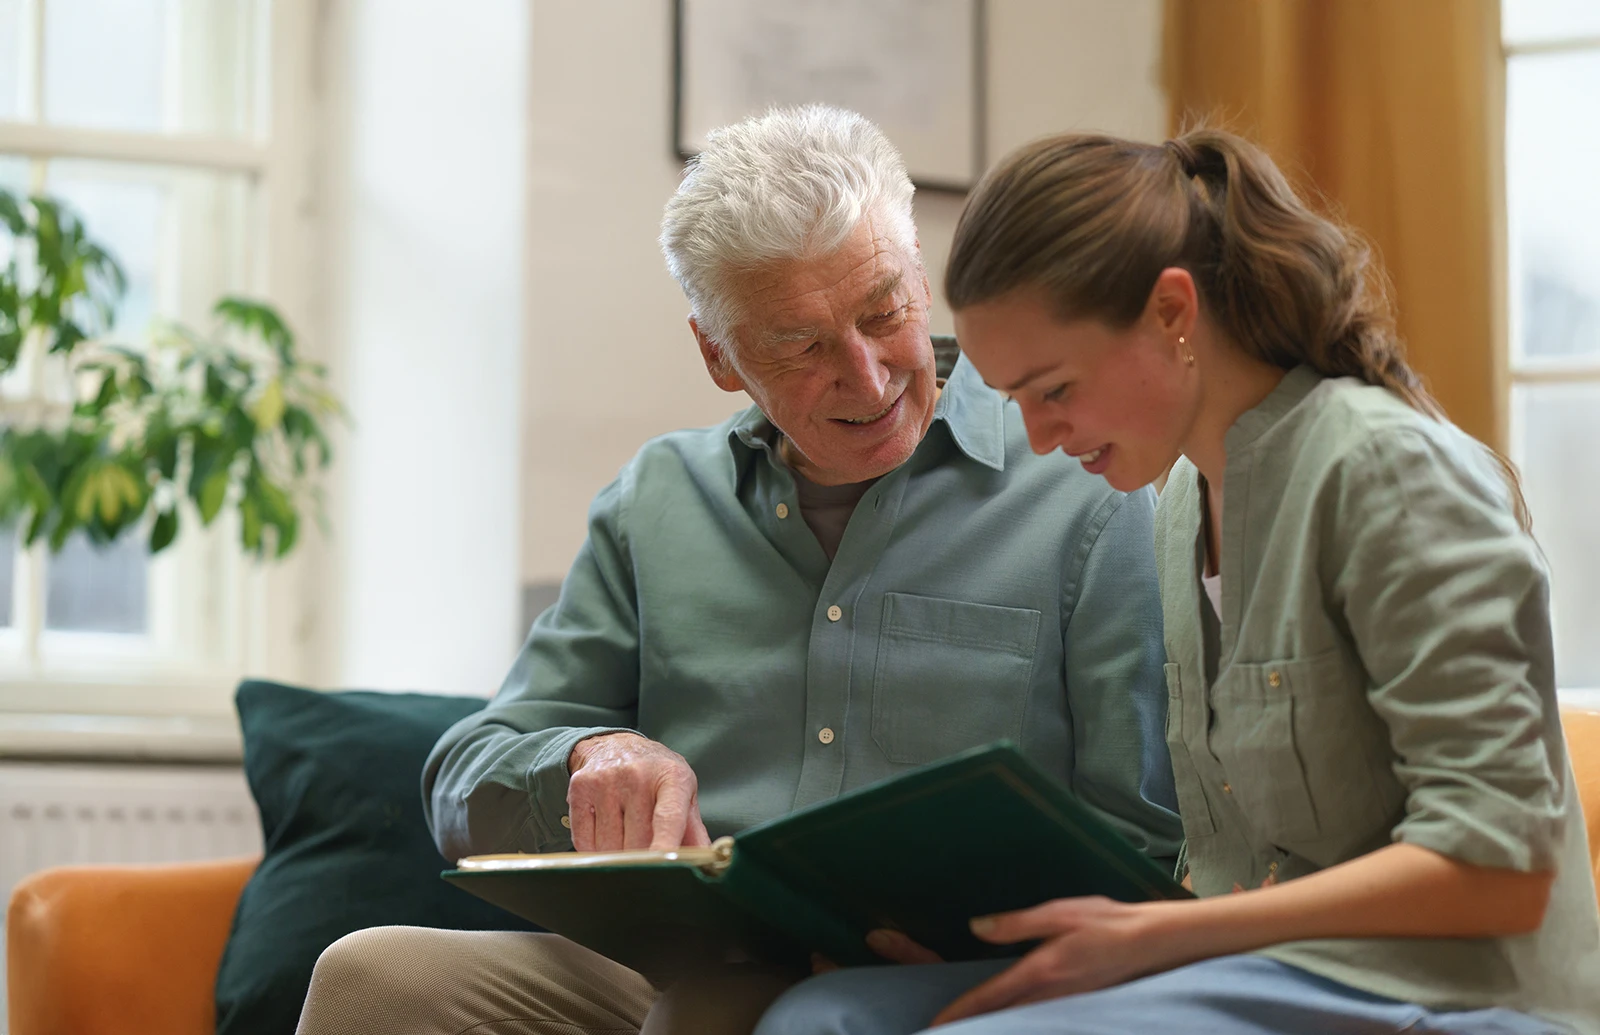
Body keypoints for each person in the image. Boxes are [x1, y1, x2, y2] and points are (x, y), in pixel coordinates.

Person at [293, 106, 1183, 1035]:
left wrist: (1001, 949)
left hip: (947, 983)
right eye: (800, 346)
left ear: (922, 278)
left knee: (714, 1016)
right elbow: (462, 778)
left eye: (884, 311)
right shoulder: (658, 500)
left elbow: (1144, 837)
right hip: (670, 965)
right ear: (719, 355)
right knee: (373, 978)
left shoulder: (1084, 485)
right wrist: (588, 757)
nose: (869, 377)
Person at [753, 127, 1600, 1035]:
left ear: (1171, 312)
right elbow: (1232, 855)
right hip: (1256, 973)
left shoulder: (1385, 473)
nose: (1039, 437)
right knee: (824, 1015)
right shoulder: (1181, 504)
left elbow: (1498, 870)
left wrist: (1158, 938)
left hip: (1443, 996)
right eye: (1017, 401)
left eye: (1055, 389)